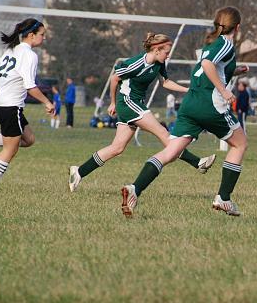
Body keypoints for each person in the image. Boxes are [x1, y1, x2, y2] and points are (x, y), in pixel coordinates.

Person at [120, 6, 248, 218]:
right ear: (238, 26)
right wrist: (224, 90)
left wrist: (235, 71)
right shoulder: (226, 43)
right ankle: (223, 199)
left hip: (190, 104)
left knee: (170, 152)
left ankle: (134, 189)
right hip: (210, 105)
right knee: (240, 143)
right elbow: (207, 65)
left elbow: (210, 67)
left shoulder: (211, 44)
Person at [68, 33, 216, 192]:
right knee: (162, 132)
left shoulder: (159, 63)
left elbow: (165, 82)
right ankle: (197, 163)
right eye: (167, 52)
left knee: (117, 148)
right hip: (127, 103)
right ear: (157, 50)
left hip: (135, 104)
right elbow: (114, 79)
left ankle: (79, 171)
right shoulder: (136, 63)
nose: (168, 55)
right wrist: (112, 102)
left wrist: (188, 90)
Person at [0, 18, 54, 192]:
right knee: (11, 149)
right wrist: (47, 102)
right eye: (42, 34)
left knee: (28, 139)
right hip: (10, 106)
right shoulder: (30, 55)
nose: (43, 38)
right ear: (31, 35)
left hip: (0, 103)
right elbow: (30, 86)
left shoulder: (11, 49)